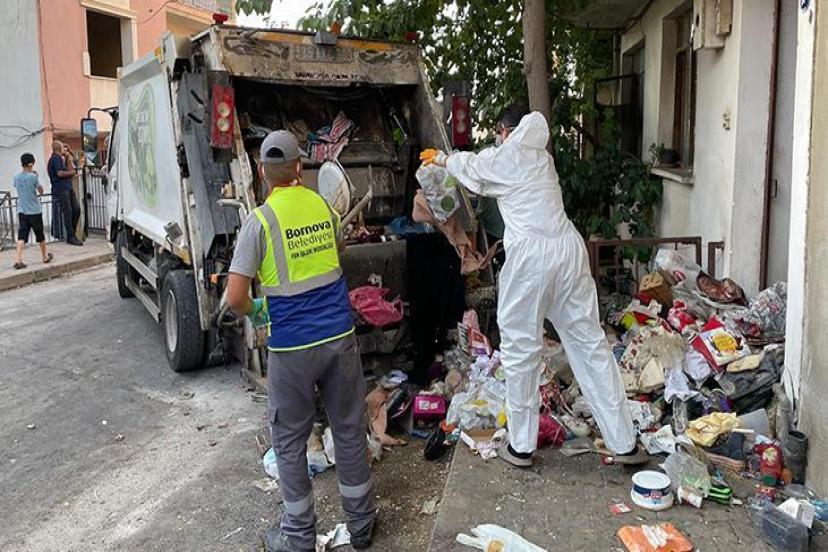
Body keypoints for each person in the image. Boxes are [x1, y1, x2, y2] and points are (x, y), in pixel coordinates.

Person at [422, 105, 647, 467]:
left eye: (499, 131)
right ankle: (625, 443)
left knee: (521, 349)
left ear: (506, 131)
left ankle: (521, 446)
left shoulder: (512, 155)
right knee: (590, 345)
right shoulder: (542, 157)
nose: (498, 138)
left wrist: (446, 159)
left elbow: (476, 171)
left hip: (532, 258)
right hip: (567, 251)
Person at [226, 131, 376, 552]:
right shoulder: (325, 209)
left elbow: (236, 296)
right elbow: (336, 251)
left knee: (290, 440)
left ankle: (297, 537)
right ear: (299, 168)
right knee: (347, 428)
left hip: (292, 349)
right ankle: (361, 526)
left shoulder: (259, 221)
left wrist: (259, 312)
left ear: (261, 172)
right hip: (339, 340)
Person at [12, 153, 53, 269]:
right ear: (31, 164)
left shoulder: (16, 177)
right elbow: (40, 191)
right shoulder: (33, 177)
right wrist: (36, 177)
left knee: (22, 235)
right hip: (34, 210)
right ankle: (44, 256)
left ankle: (18, 259)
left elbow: (18, 188)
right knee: (40, 234)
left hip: (22, 210)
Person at [47, 140, 83, 246]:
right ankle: (71, 236)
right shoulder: (55, 159)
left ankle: (72, 233)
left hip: (67, 187)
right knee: (68, 212)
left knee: (76, 209)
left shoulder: (61, 159)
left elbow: (69, 168)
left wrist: (68, 158)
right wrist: (71, 173)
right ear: (59, 148)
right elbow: (60, 173)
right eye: (63, 147)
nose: (64, 149)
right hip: (61, 188)